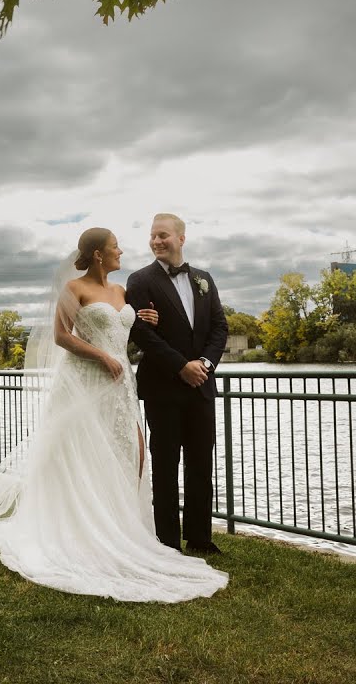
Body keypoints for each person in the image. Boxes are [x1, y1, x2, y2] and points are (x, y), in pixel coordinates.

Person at [0, 227, 228, 603]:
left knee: (132, 457)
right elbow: (61, 336)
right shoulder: (73, 290)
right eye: (114, 247)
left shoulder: (122, 291)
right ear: (97, 254)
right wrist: (102, 355)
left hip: (121, 386)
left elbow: (129, 327)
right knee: (82, 457)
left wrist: (142, 319)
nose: (121, 251)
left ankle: (126, 529)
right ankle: (84, 531)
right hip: (88, 381)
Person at [125, 213, 229, 554]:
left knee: (201, 463)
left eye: (163, 235)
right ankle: (167, 541)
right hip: (163, 388)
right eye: (153, 236)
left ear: (181, 239)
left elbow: (219, 328)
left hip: (201, 386)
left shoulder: (204, 279)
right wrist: (180, 366)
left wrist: (204, 365)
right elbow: (141, 332)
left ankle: (200, 538)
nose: (157, 241)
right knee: (166, 466)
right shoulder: (140, 280)